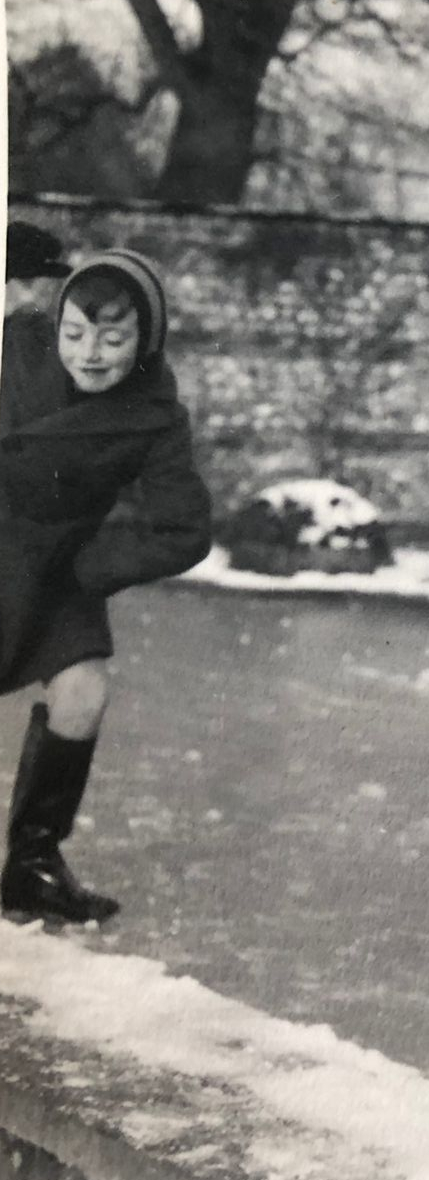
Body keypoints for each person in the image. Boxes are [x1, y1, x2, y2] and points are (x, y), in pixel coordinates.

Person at [0, 249, 213, 923]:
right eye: (76, 333)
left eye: (113, 338)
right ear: (55, 323)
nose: (90, 354)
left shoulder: (155, 414)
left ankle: (32, 862)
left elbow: (183, 529)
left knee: (83, 691)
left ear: (144, 339)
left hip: (61, 561)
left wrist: (90, 567)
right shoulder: (16, 343)